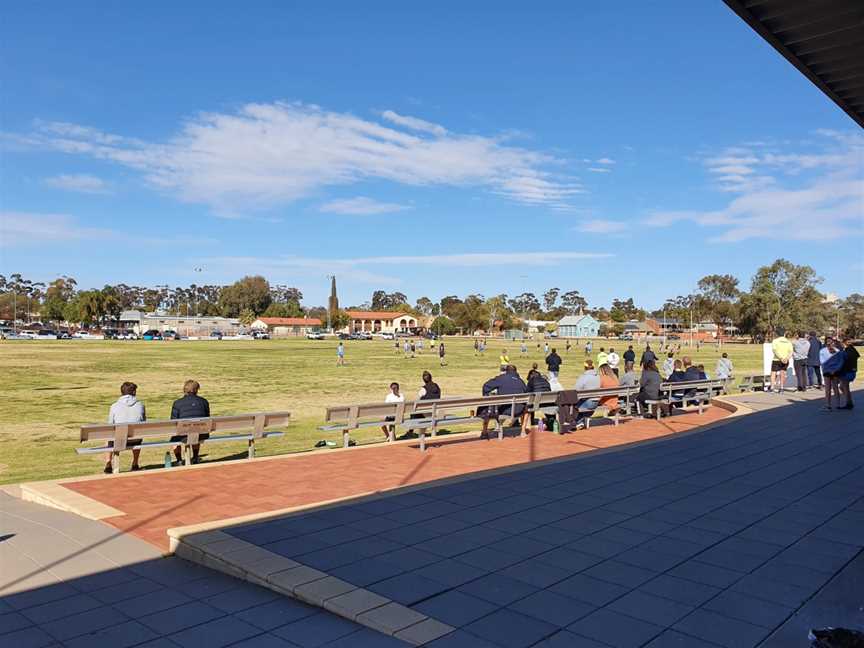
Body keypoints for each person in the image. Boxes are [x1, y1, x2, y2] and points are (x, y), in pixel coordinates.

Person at [105, 381, 145, 473]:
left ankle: (108, 463)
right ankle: (135, 463)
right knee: (138, 435)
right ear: (134, 392)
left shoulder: (114, 406)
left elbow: (110, 424)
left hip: (119, 440)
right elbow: (143, 422)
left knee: (108, 438)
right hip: (135, 439)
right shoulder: (140, 405)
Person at [479, 365, 526, 439]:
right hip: (520, 410)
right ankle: (523, 431)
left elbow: (486, 386)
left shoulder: (502, 378)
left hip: (505, 410)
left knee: (487, 406)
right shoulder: (521, 381)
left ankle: (484, 432)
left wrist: (486, 395)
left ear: (506, 371)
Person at [171, 380, 210, 464]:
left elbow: (173, 421)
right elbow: (207, 417)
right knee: (196, 429)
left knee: (175, 437)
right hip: (201, 434)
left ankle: (179, 460)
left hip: (183, 434)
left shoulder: (177, 403)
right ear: (196, 390)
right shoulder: (204, 402)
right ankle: (195, 457)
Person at [820, 338, 845, 410]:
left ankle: (828, 405)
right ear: (833, 342)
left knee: (828, 389)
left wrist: (829, 369)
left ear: (825, 343)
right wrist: (835, 369)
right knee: (835, 388)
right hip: (835, 371)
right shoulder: (837, 351)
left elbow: (822, 362)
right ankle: (838, 404)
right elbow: (840, 362)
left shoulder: (822, 351)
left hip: (827, 371)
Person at [770, 327, 793, 393]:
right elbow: (791, 351)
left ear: (777, 334)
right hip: (785, 360)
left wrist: (781, 358)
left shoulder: (775, 341)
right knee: (783, 373)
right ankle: (782, 387)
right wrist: (786, 358)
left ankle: (772, 387)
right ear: (784, 334)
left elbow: (775, 350)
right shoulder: (788, 341)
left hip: (776, 359)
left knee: (773, 373)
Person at [838, 337, 858, 410]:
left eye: (842, 343)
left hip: (847, 371)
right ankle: (849, 402)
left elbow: (845, 362)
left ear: (845, 343)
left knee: (844, 387)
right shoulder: (853, 350)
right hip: (852, 370)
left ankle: (849, 403)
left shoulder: (847, 351)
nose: (841, 345)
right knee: (844, 387)